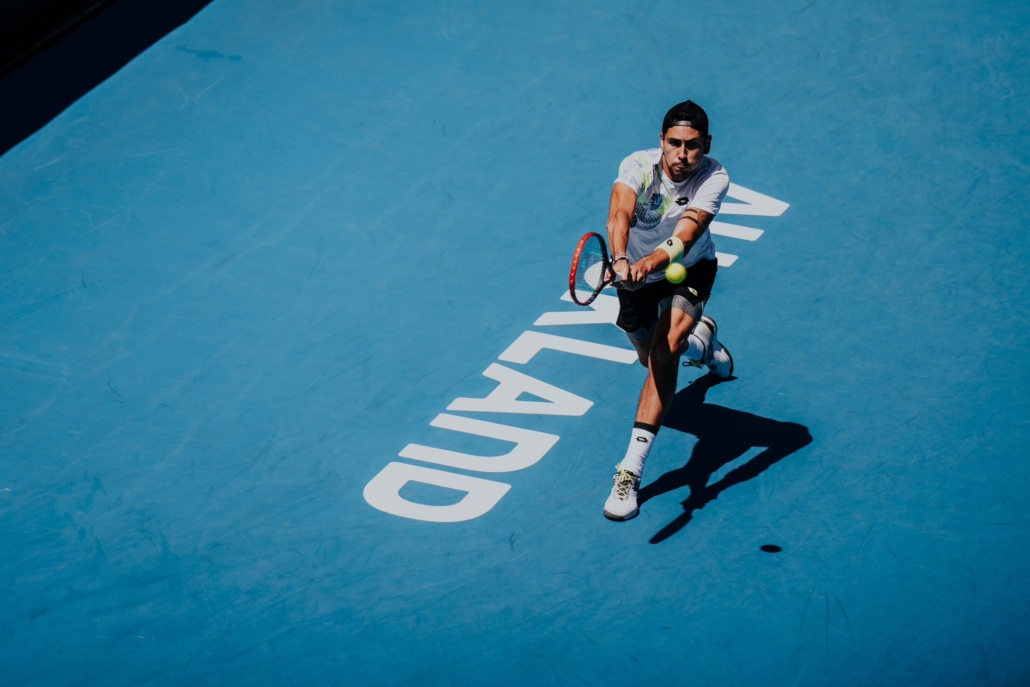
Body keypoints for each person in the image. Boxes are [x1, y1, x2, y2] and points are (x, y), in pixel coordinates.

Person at [603, 100, 734, 522]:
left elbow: (685, 235)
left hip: (688, 269)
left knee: (663, 352)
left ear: (706, 144)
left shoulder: (714, 177)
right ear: (661, 141)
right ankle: (703, 345)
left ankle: (630, 471)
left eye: (692, 146)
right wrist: (622, 259)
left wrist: (647, 264)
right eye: (674, 143)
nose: (682, 154)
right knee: (650, 358)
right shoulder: (637, 166)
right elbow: (619, 212)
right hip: (636, 277)